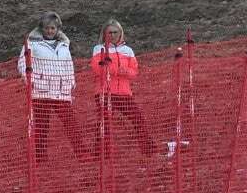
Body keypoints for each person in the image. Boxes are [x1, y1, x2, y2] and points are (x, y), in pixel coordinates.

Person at [18, 12, 87, 163]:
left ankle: (81, 152)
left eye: (53, 28)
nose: (50, 31)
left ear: (58, 29)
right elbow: (23, 63)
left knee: (71, 123)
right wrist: (31, 82)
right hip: (41, 91)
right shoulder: (31, 43)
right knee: (42, 126)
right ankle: (41, 157)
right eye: (47, 28)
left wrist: (71, 83)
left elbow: (68, 65)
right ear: (42, 28)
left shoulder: (64, 45)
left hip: (61, 91)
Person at [89, 19, 154, 157]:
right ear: (104, 34)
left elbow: (134, 72)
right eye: (109, 32)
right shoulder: (98, 48)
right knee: (104, 123)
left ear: (120, 33)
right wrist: (119, 70)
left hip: (124, 93)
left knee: (138, 119)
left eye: (115, 32)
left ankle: (148, 149)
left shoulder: (128, 50)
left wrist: (118, 70)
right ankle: (100, 153)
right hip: (104, 92)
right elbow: (97, 69)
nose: (112, 35)